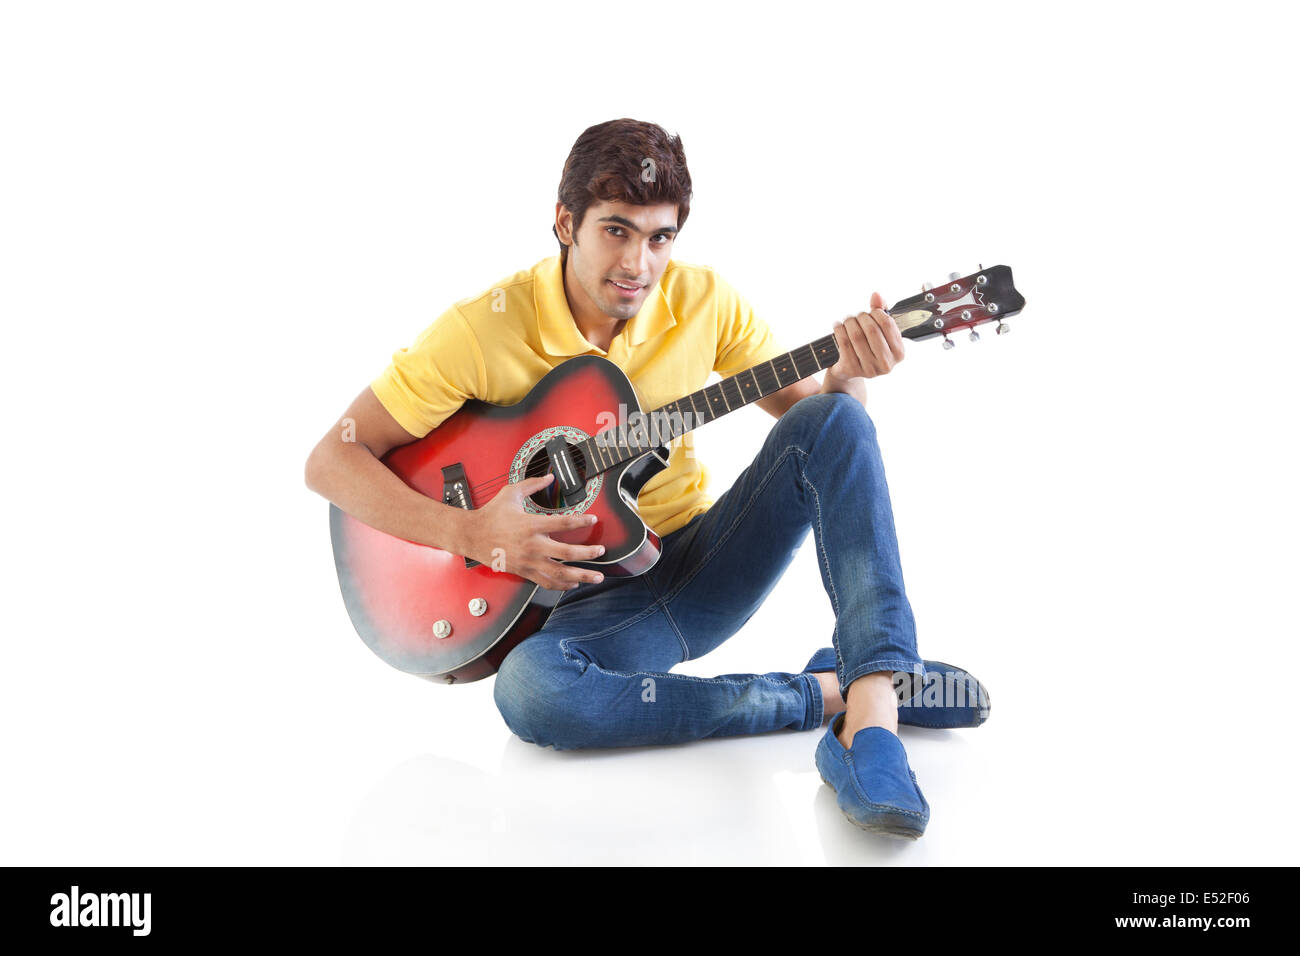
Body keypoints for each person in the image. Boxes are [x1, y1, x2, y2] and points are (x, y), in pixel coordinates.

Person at [304, 118, 990, 840]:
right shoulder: (482, 331)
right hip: (588, 612)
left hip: (701, 564)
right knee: (530, 694)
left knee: (840, 420)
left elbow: (821, 438)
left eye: (660, 237)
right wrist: (471, 530)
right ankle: (828, 690)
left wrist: (847, 376)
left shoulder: (703, 301)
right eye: (616, 231)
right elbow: (332, 461)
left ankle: (873, 714)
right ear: (566, 223)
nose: (638, 262)